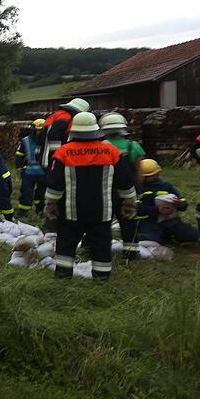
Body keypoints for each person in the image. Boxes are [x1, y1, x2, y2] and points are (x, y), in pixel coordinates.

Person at [44, 112, 137, 280]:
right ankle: (102, 278)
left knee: (66, 243)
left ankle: (63, 277)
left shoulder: (63, 153)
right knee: (101, 245)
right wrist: (129, 203)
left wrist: (50, 205)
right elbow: (125, 182)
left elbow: (54, 186)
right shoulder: (111, 152)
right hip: (101, 212)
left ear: (73, 131)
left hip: (71, 212)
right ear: (96, 130)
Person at [101, 112, 146, 260]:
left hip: (105, 190)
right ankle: (131, 252)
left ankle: (100, 249)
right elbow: (140, 172)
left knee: (103, 221)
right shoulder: (133, 146)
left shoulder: (101, 147)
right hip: (127, 191)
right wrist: (138, 189)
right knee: (128, 221)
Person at [134, 158, 199, 245]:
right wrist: (157, 211)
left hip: (168, 220)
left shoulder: (165, 186)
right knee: (150, 240)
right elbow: (134, 208)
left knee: (192, 234)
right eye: (152, 175)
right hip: (146, 221)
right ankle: (161, 236)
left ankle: (169, 234)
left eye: (156, 174)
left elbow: (182, 200)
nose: (155, 177)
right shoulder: (136, 189)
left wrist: (181, 204)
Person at [41, 97, 91, 169]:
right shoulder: (65, 117)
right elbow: (54, 135)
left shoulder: (58, 114)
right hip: (53, 160)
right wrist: (59, 156)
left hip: (46, 157)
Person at [14, 119, 47, 218]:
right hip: (28, 171)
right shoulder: (26, 140)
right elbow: (19, 154)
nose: (39, 132)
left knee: (41, 193)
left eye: (41, 130)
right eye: (37, 130)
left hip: (43, 172)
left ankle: (40, 211)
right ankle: (23, 212)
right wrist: (19, 166)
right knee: (26, 192)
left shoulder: (48, 141)